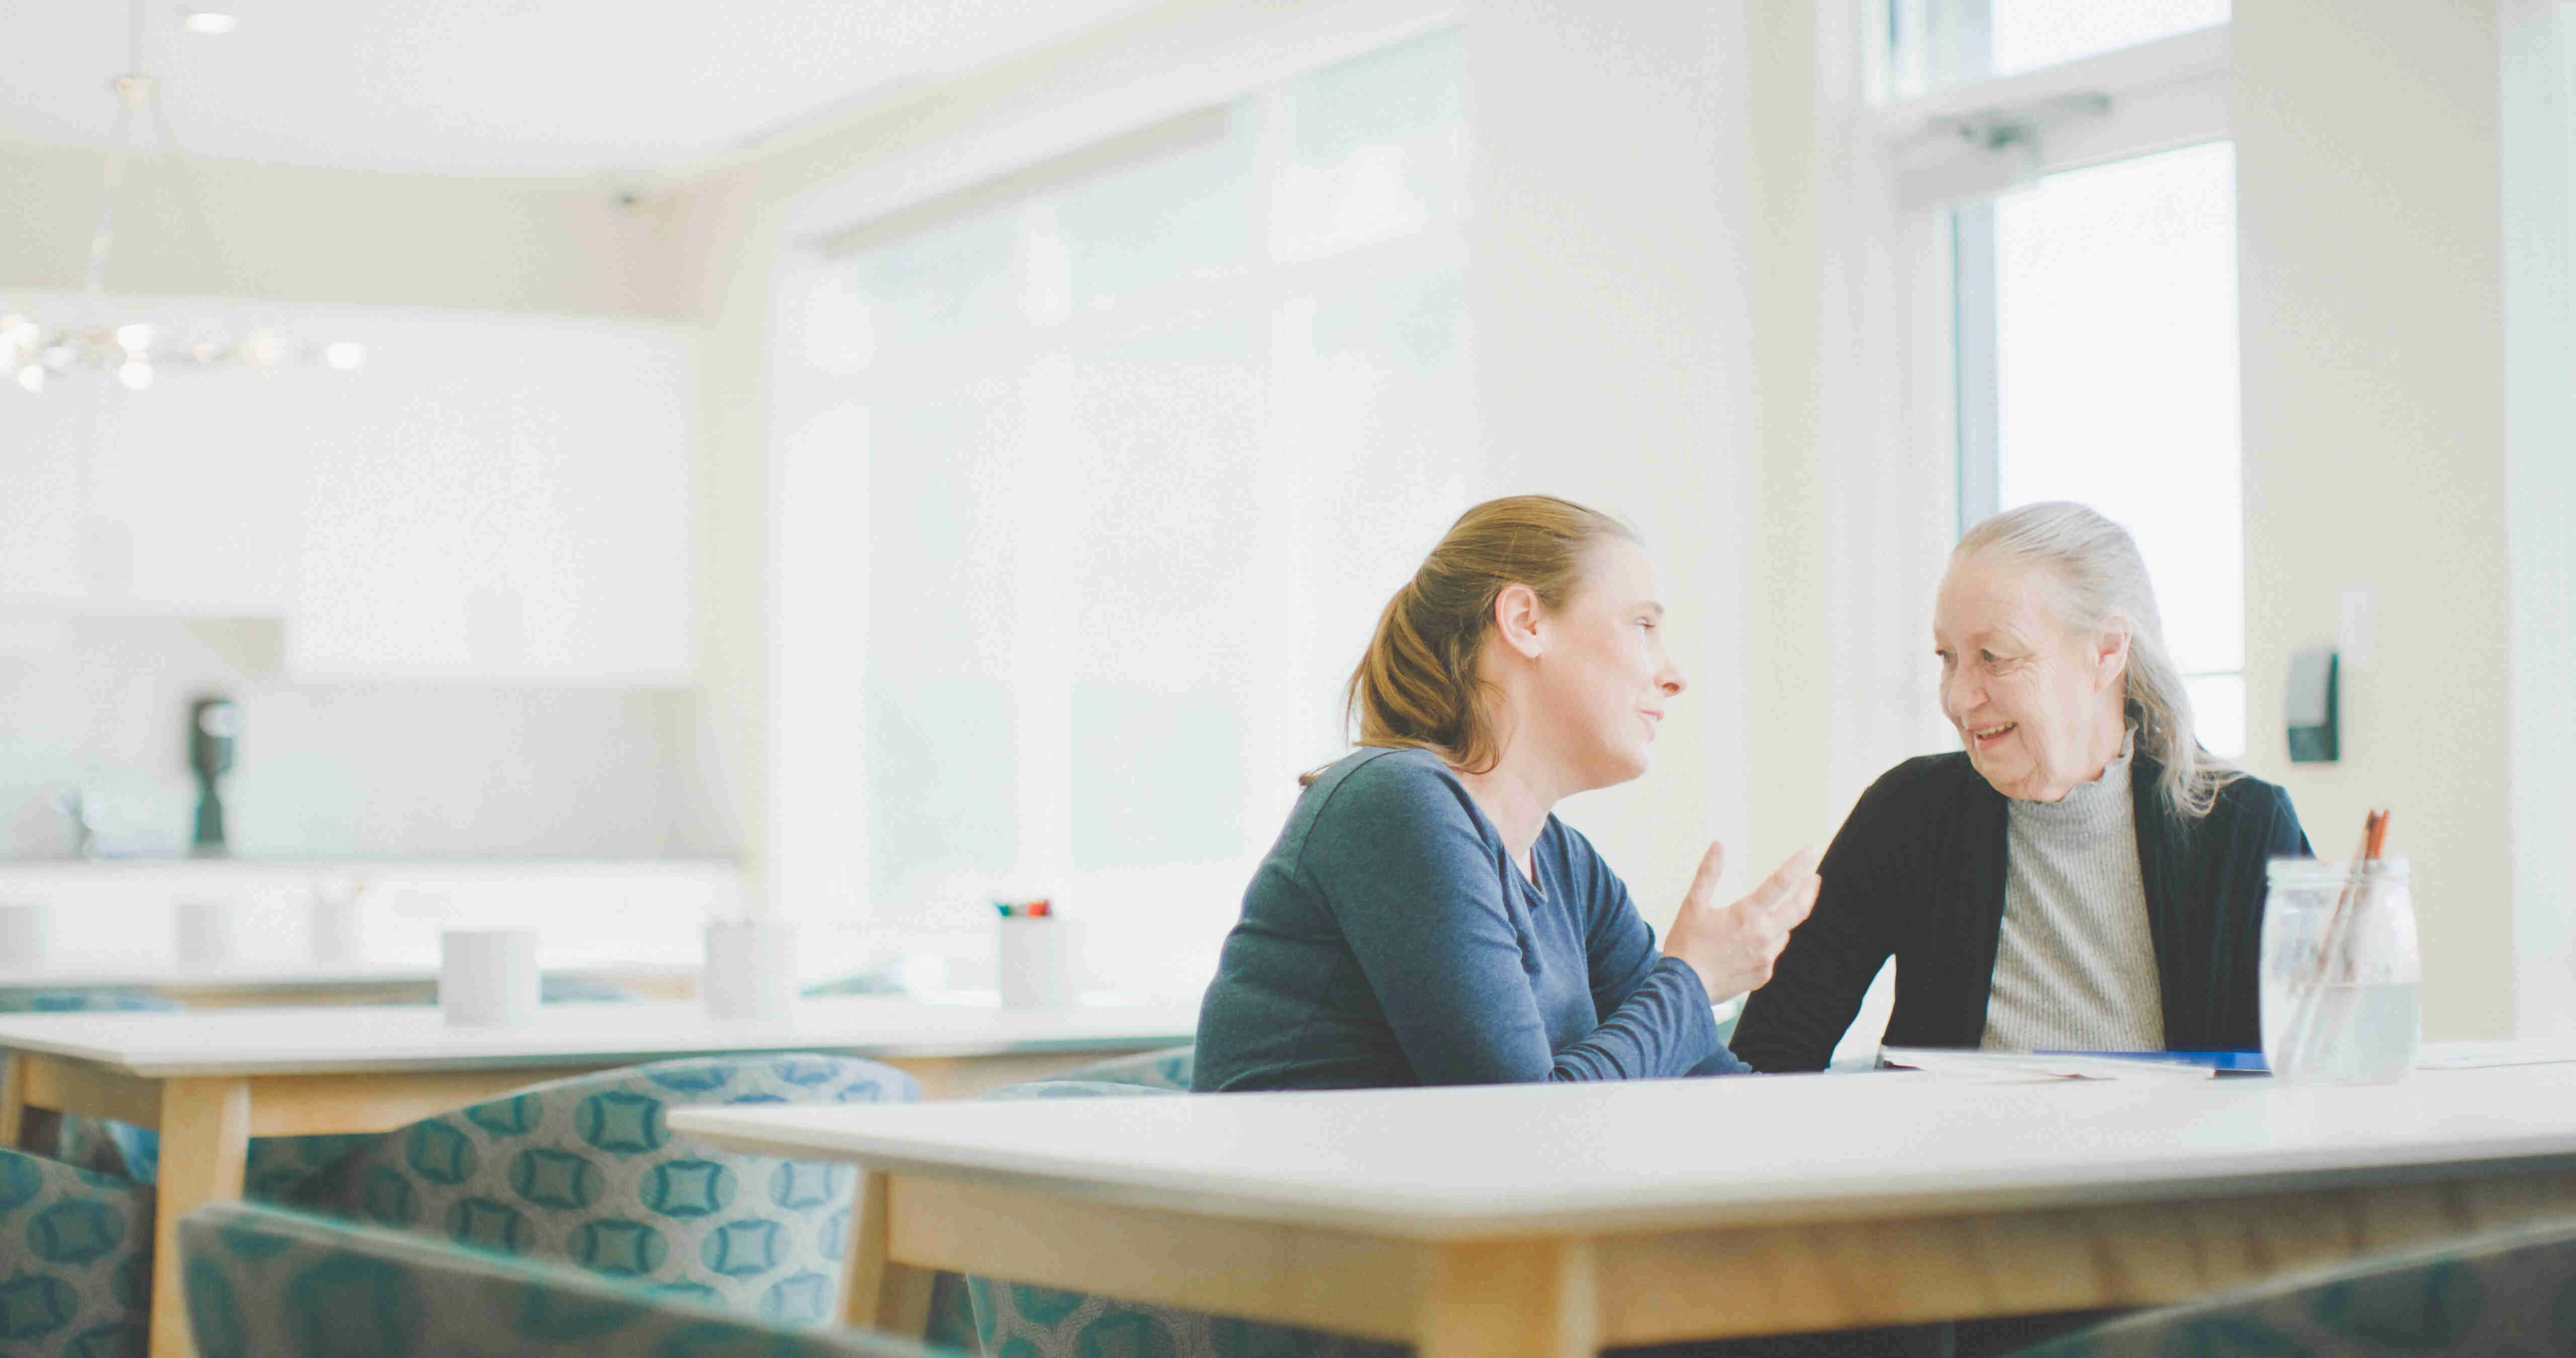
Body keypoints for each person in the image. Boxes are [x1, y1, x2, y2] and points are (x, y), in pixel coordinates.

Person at [1193, 494, 1820, 1092]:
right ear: (1525, 622)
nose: (1674, 675)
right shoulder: (1393, 804)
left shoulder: (1568, 867)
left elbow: (1701, 1087)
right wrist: (1694, 978)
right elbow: (1522, 1120)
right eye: (1642, 625)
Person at [1731, 501, 2311, 1071]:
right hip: (1958, 1166)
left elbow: (2312, 1076)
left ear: (2106, 651)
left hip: (2171, 1166)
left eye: (1994, 657)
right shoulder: (1907, 815)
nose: (1959, 698)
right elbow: (1768, 1053)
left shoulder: (2244, 825)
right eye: (1947, 657)